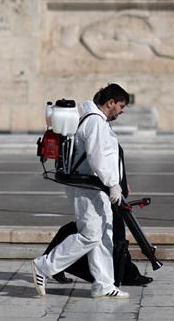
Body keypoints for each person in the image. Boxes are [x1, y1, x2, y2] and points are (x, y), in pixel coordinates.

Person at [31, 84, 130, 298]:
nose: (122, 111)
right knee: (90, 235)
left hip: (95, 187)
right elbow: (97, 157)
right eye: (121, 106)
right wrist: (113, 183)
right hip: (89, 187)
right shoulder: (95, 122)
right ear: (110, 102)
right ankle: (44, 266)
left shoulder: (94, 119)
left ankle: (104, 284)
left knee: (104, 235)